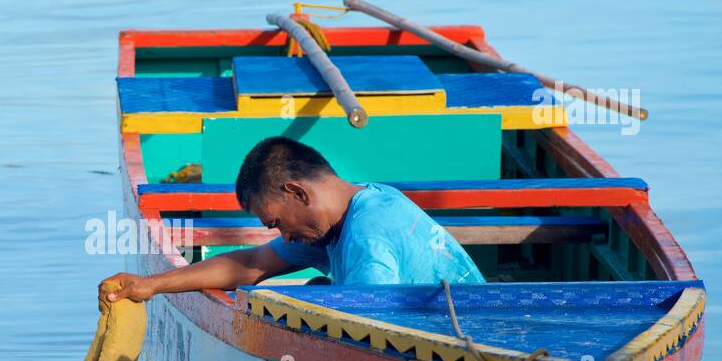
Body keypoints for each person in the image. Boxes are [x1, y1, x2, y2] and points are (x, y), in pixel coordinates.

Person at [101, 136, 485, 302]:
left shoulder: (369, 237)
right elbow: (251, 264)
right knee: (317, 287)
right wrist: (150, 285)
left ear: (297, 193)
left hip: (466, 345)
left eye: (276, 223)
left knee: (315, 291)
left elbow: (371, 320)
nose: (282, 234)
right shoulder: (340, 215)